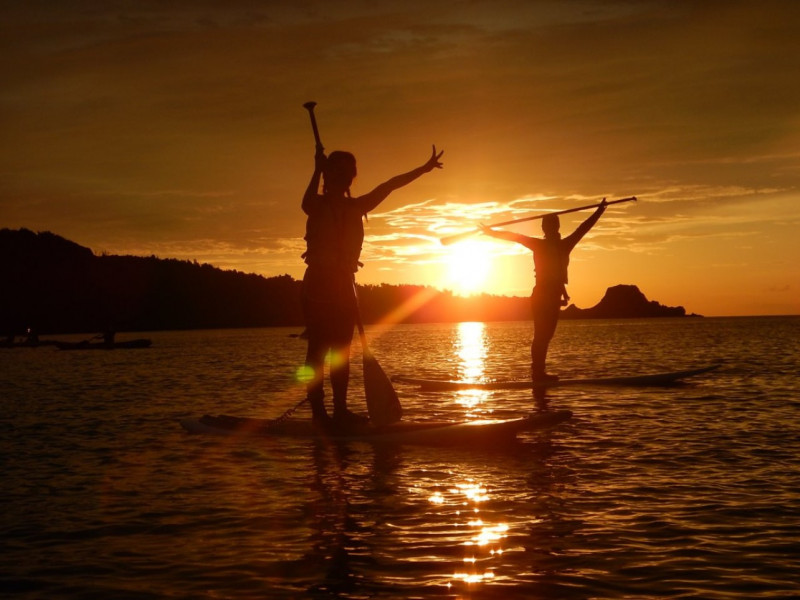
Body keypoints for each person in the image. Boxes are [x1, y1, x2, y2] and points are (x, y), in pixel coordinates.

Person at [301, 145, 444, 430]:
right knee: (318, 351)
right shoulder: (316, 205)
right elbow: (305, 202)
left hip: (344, 287)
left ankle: (340, 412)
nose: (343, 177)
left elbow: (390, 185)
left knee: (341, 352)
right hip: (317, 286)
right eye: (337, 171)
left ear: (351, 178)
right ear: (328, 175)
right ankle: (319, 415)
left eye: (347, 172)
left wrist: (424, 169)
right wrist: (316, 167)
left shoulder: (358, 206)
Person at [480, 199, 607, 382]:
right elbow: (514, 236)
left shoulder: (559, 245)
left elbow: (583, 229)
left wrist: (599, 211)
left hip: (550, 296)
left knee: (545, 336)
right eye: (549, 226)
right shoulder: (551, 245)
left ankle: (539, 372)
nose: (550, 229)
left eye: (551, 225)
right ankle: (537, 373)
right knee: (542, 335)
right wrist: (491, 233)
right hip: (543, 295)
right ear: (548, 229)